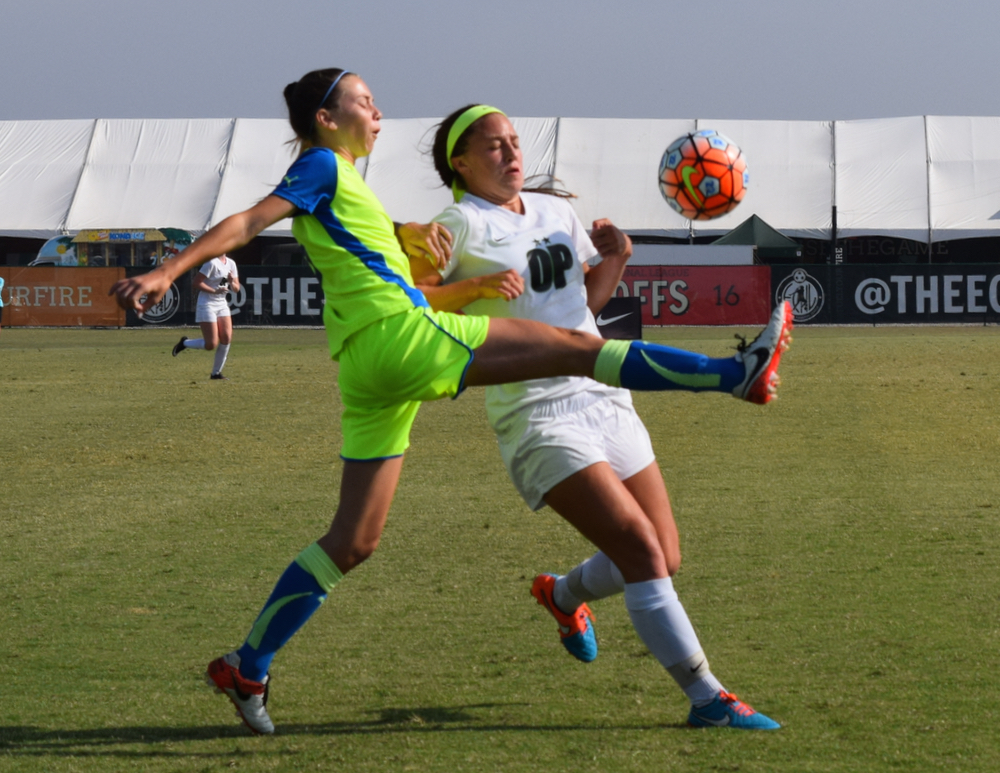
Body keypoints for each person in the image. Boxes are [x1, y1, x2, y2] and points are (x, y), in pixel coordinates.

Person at [109, 68, 792, 736]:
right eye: (366, 102)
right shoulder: (321, 165)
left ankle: (247, 665)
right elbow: (251, 219)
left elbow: (366, 254)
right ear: (326, 117)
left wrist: (405, 237)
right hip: (400, 338)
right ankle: (737, 373)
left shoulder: (348, 187)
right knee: (577, 349)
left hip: (368, 368)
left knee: (353, 540)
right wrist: (168, 269)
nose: (378, 114)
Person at [407, 104, 782, 730]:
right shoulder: (456, 225)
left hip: (602, 393)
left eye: (514, 142)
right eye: (493, 147)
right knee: (638, 550)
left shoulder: (556, 211)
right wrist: (468, 290)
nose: (511, 154)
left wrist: (618, 256)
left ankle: (562, 595)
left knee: (665, 553)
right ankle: (707, 699)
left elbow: (585, 306)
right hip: (535, 410)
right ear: (461, 162)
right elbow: (413, 307)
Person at [171, 254, 240, 380]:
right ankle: (185, 343)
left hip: (222, 303)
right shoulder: (211, 263)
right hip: (207, 304)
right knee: (211, 344)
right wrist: (214, 291)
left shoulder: (231, 263)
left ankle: (216, 373)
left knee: (226, 337)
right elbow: (196, 283)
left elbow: (236, 288)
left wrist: (231, 281)